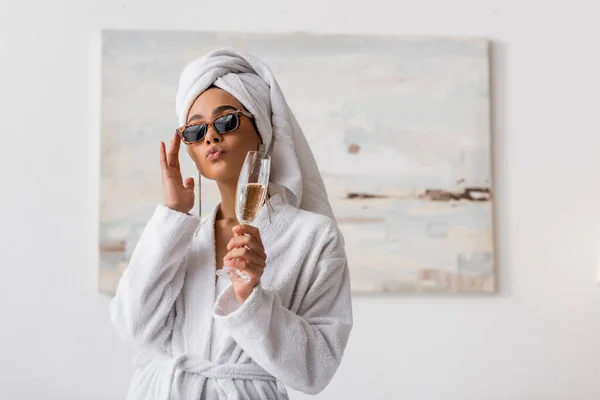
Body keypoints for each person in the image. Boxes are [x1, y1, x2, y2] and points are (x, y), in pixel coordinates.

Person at [109, 48, 353, 400]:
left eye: (226, 121)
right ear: (189, 148)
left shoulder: (312, 237)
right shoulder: (178, 236)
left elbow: (316, 369)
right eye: (195, 130)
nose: (211, 136)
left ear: (262, 130)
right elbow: (133, 326)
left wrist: (249, 299)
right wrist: (174, 214)